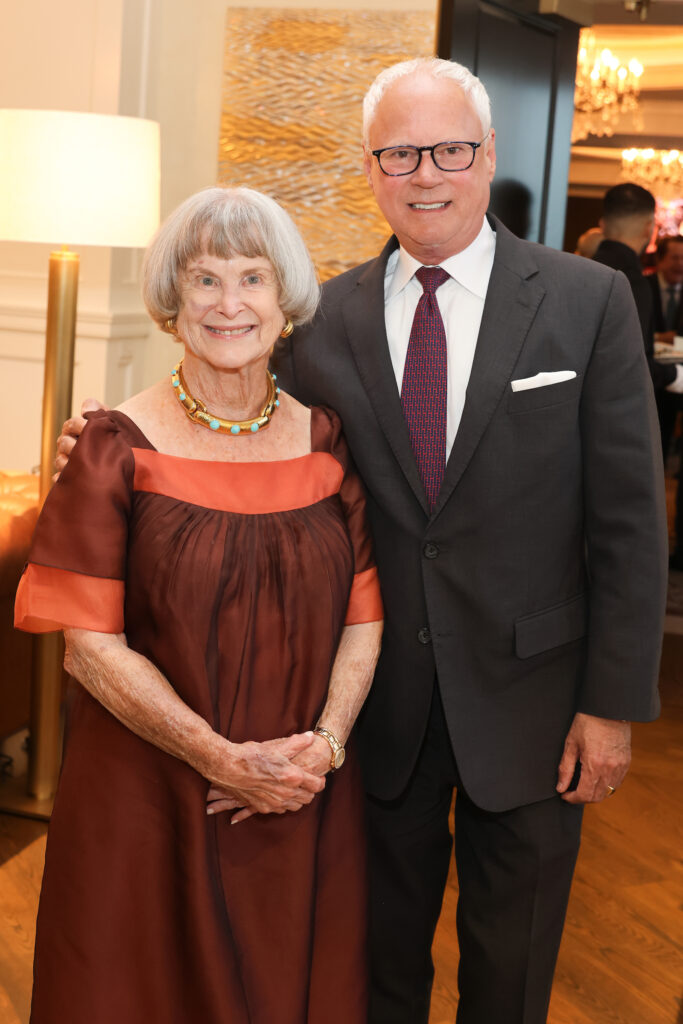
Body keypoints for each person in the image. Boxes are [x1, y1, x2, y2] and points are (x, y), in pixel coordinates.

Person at [57, 58, 668, 1024]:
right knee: (375, 967)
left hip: (536, 706)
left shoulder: (585, 301)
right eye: (399, 154)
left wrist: (610, 705)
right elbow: (240, 424)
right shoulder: (323, 321)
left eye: (449, 150)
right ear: (372, 169)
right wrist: (101, 437)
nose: (425, 174)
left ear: (487, 155)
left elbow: (629, 521)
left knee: (510, 977)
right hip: (379, 714)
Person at [16, 186, 383, 1024]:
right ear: (171, 302)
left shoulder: (325, 440)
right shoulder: (112, 446)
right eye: (204, 279)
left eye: (252, 278)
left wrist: (320, 748)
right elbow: (88, 647)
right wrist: (218, 758)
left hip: (299, 790)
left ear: (284, 300)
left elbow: (365, 616)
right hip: (148, 793)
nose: (228, 303)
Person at [593, 183, 683, 398]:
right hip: (616, 405)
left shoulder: (582, 268)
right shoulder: (631, 280)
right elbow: (629, 363)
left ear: (603, 225)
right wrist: (676, 376)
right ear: (648, 227)